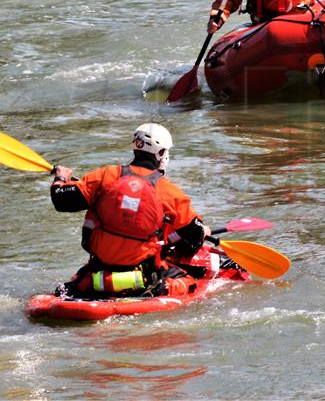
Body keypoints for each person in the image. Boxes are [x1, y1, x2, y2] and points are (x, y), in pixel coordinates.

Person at [49, 123, 211, 299]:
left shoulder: (105, 176)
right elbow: (194, 236)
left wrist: (61, 177)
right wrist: (203, 232)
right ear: (162, 153)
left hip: (99, 269)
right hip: (144, 279)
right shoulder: (167, 190)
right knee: (191, 280)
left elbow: (61, 200)